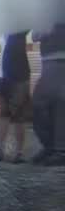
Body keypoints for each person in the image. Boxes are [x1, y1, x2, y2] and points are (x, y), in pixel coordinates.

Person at [0, 31, 31, 162]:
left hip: (19, 78)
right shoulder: (4, 35)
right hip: (4, 78)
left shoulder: (19, 30)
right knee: (4, 114)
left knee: (18, 116)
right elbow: (2, 57)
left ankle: (19, 153)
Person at [31, 22, 65, 166]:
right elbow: (34, 36)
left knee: (58, 105)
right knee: (40, 105)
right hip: (47, 61)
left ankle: (59, 150)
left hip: (60, 60)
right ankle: (52, 147)